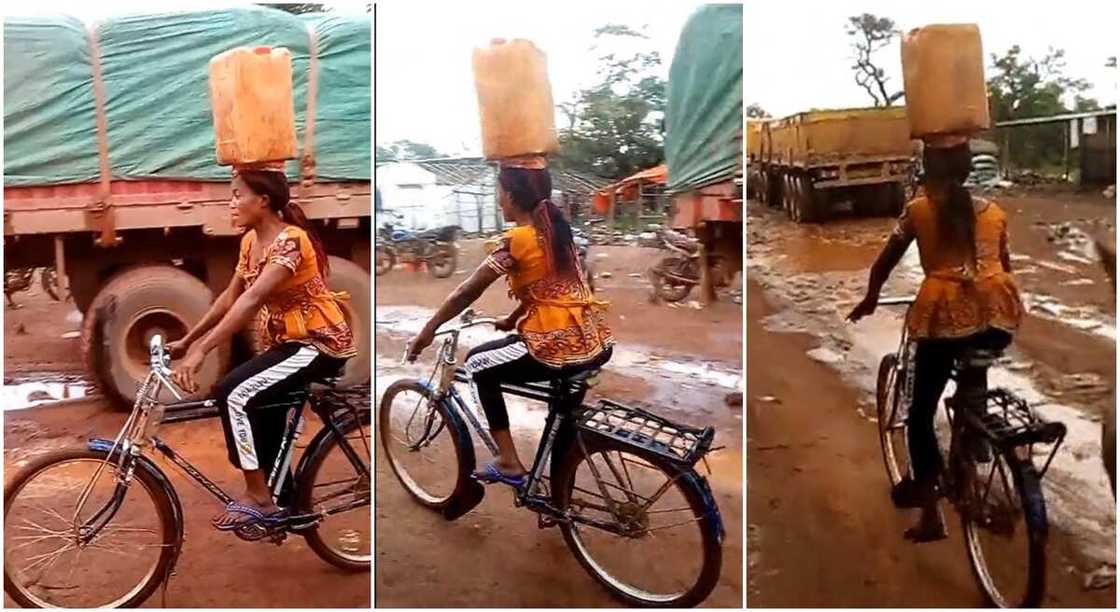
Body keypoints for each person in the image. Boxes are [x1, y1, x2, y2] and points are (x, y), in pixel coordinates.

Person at [848, 141, 1024, 542]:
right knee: (974, 367)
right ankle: (974, 435)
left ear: (928, 170)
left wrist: (871, 298)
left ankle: (930, 511)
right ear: (966, 170)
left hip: (944, 315)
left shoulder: (919, 210)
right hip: (998, 313)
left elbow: (886, 260)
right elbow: (1004, 266)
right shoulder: (995, 212)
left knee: (920, 412)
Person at [170, 168, 357, 530]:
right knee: (255, 406)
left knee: (233, 393)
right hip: (286, 343)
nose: (232, 203)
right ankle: (285, 502)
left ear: (264, 201)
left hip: (319, 343)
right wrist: (189, 340)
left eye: (238, 194)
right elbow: (230, 298)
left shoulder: (292, 241)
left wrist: (203, 351)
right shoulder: (249, 243)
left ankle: (258, 496)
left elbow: (252, 299)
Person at [406, 163, 614, 486]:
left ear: (513, 197)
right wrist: (513, 319)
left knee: (477, 363)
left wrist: (428, 330)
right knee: (562, 421)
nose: (498, 200)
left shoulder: (516, 240)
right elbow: (553, 288)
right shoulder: (558, 234)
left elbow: (467, 291)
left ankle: (508, 461)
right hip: (594, 340)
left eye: (499, 193)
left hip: (555, 345)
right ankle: (560, 498)